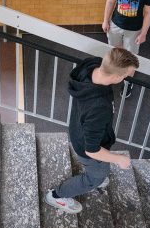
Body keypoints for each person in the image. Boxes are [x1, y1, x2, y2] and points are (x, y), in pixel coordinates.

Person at [44, 47, 139, 214]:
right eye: (125, 76)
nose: (128, 77)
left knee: (98, 168)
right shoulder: (98, 107)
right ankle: (57, 195)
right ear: (116, 77)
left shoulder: (91, 65)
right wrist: (118, 159)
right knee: (95, 178)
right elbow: (93, 150)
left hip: (79, 130)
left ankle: (94, 175)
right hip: (88, 148)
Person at [102, 0, 150, 97]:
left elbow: (148, 13)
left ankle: (128, 81)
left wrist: (143, 33)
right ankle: (114, 73)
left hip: (134, 29)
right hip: (115, 24)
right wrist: (105, 20)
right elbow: (110, 1)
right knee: (115, 51)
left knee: (131, 56)